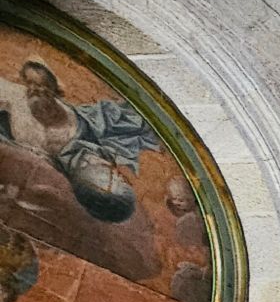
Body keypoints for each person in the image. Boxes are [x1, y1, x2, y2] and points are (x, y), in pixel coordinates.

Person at [0, 61, 164, 224]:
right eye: (118, 177)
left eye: (110, 180)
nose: (114, 172)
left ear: (87, 188)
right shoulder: (109, 135)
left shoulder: (42, 161)